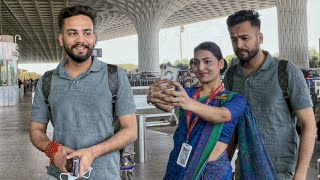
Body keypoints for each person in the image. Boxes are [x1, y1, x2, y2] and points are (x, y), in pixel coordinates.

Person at [30, 5, 137, 180]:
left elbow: (130, 130)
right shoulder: (47, 81)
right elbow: (36, 130)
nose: (81, 39)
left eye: (87, 33)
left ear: (94, 38)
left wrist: (93, 152)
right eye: (72, 33)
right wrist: (53, 150)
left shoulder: (115, 76)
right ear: (61, 39)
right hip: (60, 176)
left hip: (105, 175)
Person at [223, 10, 317, 180]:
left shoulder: (286, 71)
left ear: (259, 38)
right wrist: (222, 166)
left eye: (245, 38)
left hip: (281, 171)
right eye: (234, 39)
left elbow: (308, 125)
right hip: (244, 170)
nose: (239, 45)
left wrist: (301, 174)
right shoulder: (231, 76)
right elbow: (232, 128)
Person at [148, 41, 248, 179]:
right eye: (195, 62)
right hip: (177, 167)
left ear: (220, 64)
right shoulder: (187, 92)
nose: (201, 68)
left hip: (211, 172)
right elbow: (167, 105)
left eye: (207, 62)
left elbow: (222, 115)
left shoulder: (234, 99)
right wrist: (154, 98)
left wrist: (188, 103)